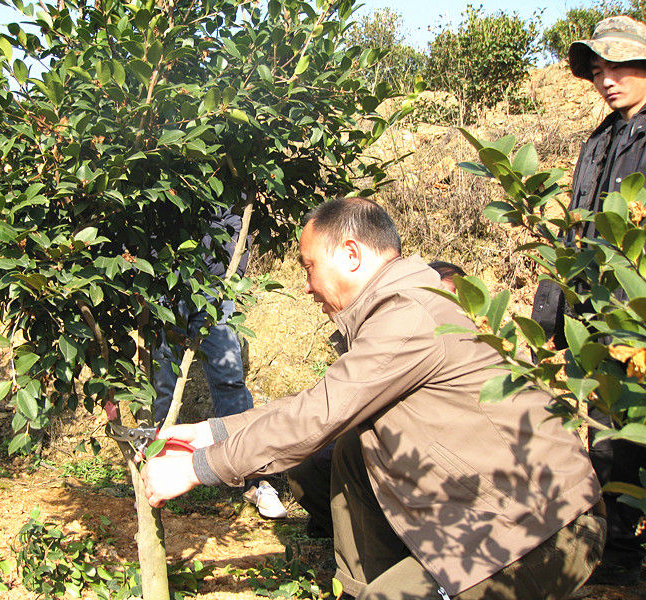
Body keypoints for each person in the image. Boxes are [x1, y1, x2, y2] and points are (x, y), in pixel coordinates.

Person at [143, 197, 604, 600]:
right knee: (348, 448)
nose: (305, 285)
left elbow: (317, 416)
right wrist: (211, 431)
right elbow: (320, 402)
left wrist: (196, 468)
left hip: (543, 527)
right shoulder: (398, 304)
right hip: (487, 507)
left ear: (350, 254)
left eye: (308, 266)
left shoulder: (410, 314)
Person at [531, 15, 646, 585]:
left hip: (638, 314)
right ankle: (619, 551)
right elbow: (574, 235)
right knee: (608, 429)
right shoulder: (599, 142)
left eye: (621, 65)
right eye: (599, 70)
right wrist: (549, 311)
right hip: (598, 317)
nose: (608, 79)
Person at [287, 259, 468, 540]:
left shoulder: (478, 350)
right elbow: (334, 403)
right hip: (383, 441)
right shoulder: (395, 328)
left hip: (438, 466)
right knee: (313, 464)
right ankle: (353, 537)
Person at [152, 208, 287, 519]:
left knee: (230, 378)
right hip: (163, 286)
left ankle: (256, 479)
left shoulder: (230, 172)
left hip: (214, 288)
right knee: (163, 381)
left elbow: (241, 221)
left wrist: (232, 273)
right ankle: (160, 469)